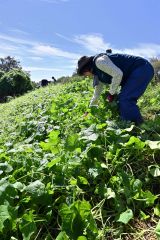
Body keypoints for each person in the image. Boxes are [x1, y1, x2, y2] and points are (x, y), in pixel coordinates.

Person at [77, 51, 154, 125]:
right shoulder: (97, 75)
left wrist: (111, 93)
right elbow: (96, 94)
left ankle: (137, 126)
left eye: (84, 74)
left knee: (125, 99)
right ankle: (129, 122)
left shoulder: (99, 62)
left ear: (86, 69)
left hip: (141, 68)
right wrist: (89, 110)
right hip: (133, 73)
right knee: (121, 99)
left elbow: (118, 74)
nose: (86, 76)